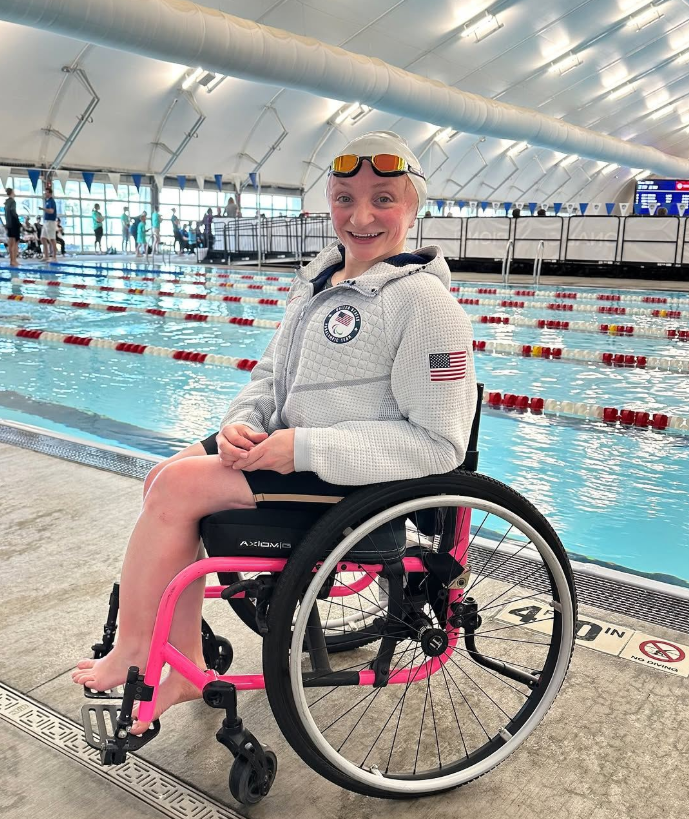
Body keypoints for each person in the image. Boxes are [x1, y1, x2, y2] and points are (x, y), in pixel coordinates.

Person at [71, 130, 477, 734]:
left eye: (383, 198)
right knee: (163, 476)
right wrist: (241, 424)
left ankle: (139, 655)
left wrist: (304, 448)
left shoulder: (426, 306)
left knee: (179, 491)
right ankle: (175, 656)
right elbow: (269, 377)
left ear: (415, 206)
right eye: (344, 198)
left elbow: (438, 445)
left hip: (350, 486)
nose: (360, 216)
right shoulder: (320, 282)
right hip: (286, 454)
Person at [40, 183, 58, 261]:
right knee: (43, 238)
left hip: (51, 222)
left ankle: (54, 256)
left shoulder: (51, 201)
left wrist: (43, 209)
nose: (45, 194)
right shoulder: (47, 201)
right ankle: (46, 256)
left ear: (50, 193)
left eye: (46, 192)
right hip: (46, 222)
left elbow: (51, 211)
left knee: (52, 239)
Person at [4, 187, 21, 267]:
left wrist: (7, 223)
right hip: (14, 224)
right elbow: (13, 212)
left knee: (11, 243)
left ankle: (12, 261)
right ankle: (14, 261)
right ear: (12, 193)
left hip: (8, 224)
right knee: (15, 243)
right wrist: (18, 222)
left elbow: (6, 214)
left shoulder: (6, 202)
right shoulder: (13, 202)